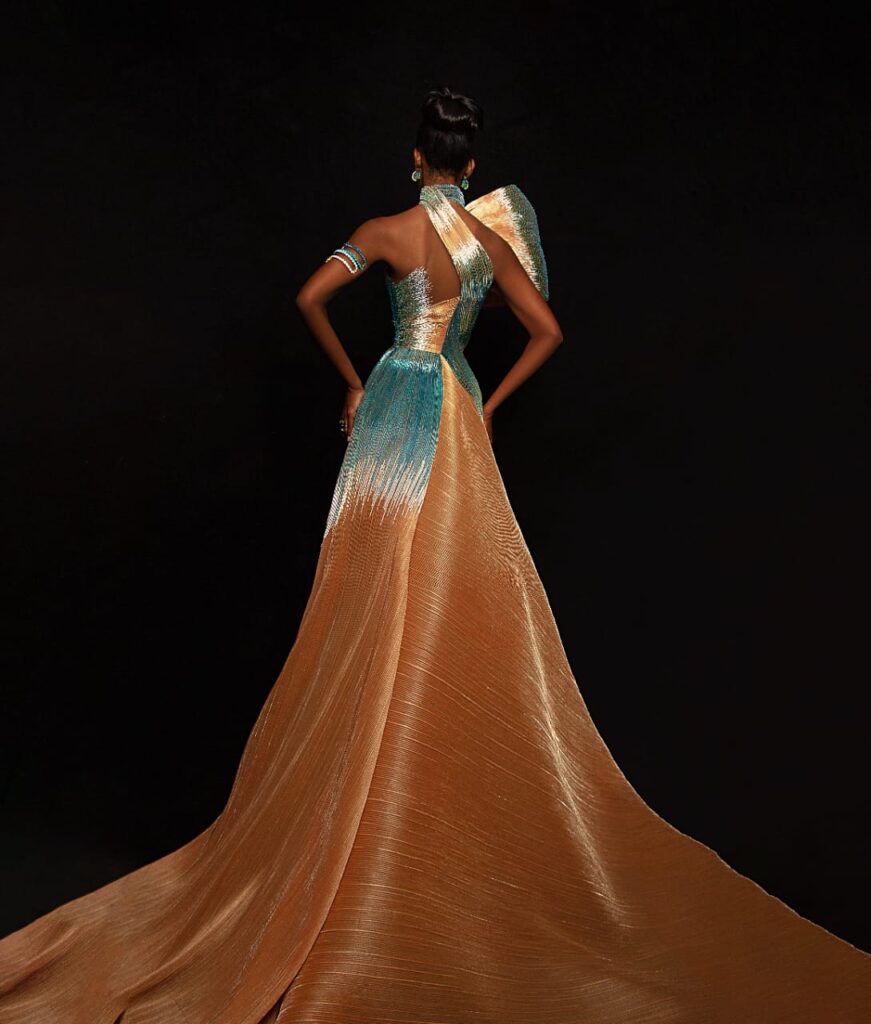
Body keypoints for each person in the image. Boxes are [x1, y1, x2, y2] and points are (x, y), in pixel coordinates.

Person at [0, 84, 868, 1024]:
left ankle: (365, 807)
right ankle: (417, 801)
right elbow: (546, 332)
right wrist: (486, 406)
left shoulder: (381, 232)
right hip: (450, 409)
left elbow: (309, 298)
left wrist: (349, 382)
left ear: (416, 159)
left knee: (372, 596)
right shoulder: (490, 239)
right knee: (450, 596)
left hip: (390, 409)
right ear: (471, 164)